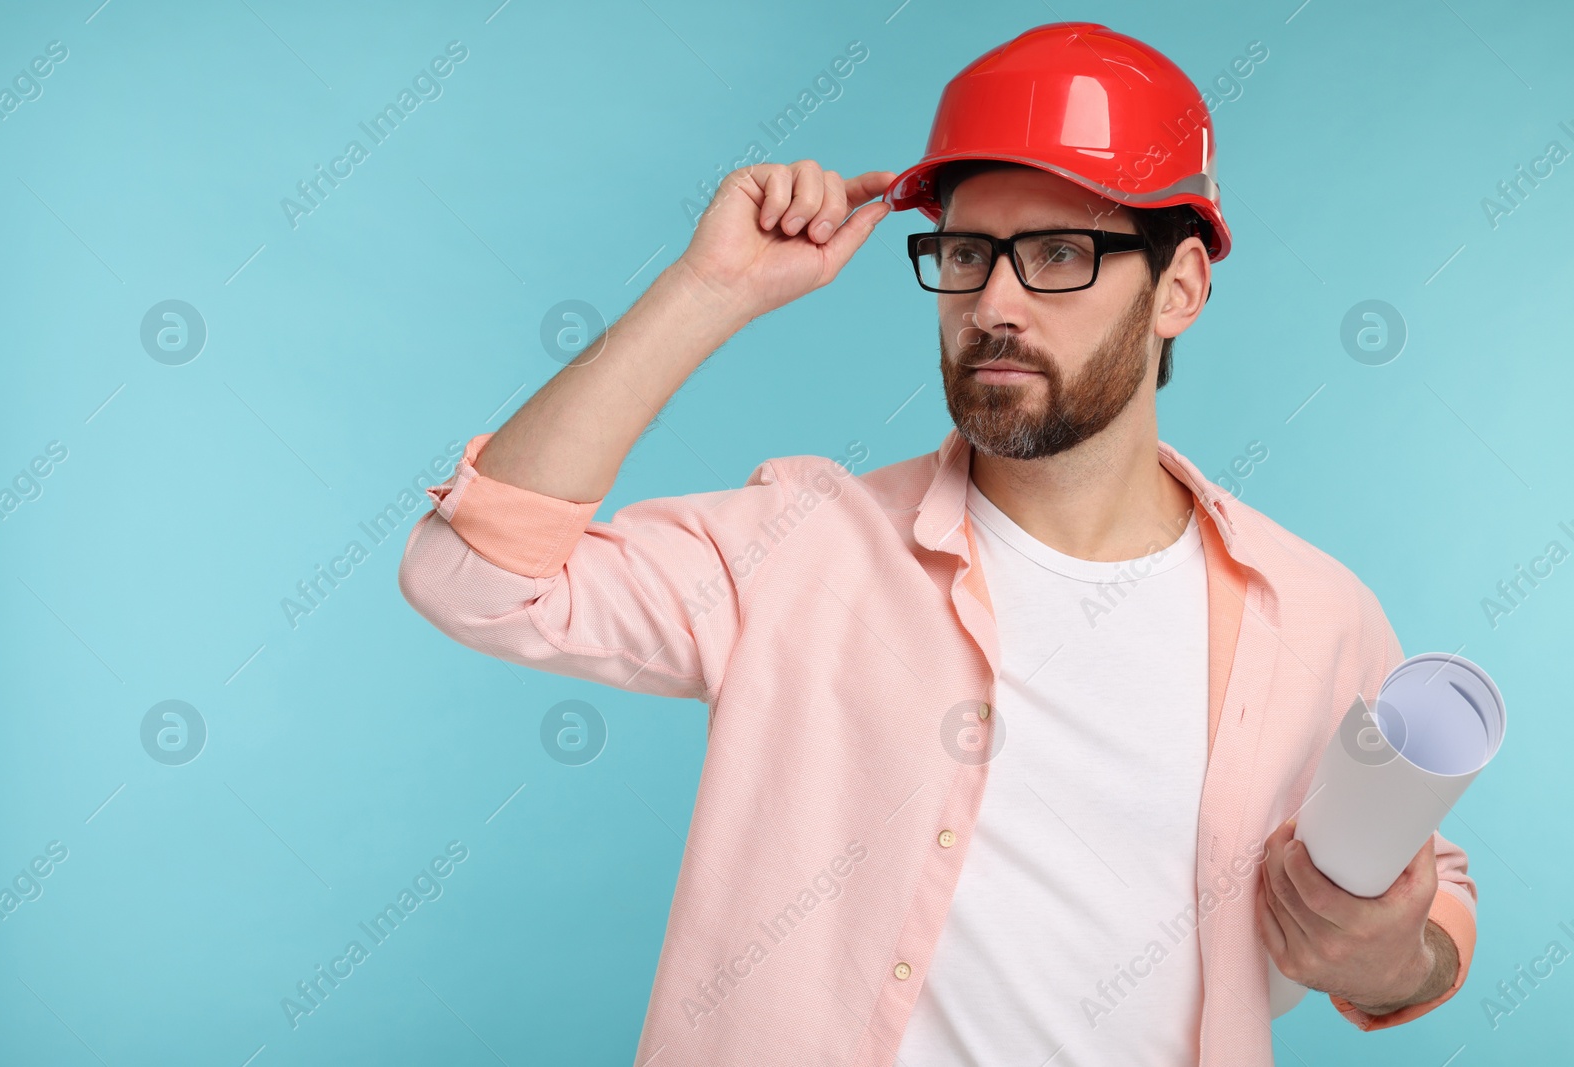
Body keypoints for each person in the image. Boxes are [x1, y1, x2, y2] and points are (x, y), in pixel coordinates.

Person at [398, 21, 1476, 1067]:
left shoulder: (1315, 612)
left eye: (1058, 252)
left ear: (1179, 288)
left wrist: (1397, 952)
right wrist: (708, 291)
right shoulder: (802, 547)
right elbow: (473, 574)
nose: (993, 303)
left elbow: (1426, 899)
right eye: (966, 252)